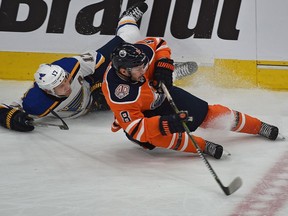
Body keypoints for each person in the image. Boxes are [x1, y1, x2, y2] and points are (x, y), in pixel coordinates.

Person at [101, 37, 280, 159]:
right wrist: (167, 123)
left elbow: (159, 44)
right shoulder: (120, 94)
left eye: (144, 65)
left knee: (205, 113)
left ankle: (258, 126)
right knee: (157, 137)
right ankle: (202, 146)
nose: (143, 68)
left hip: (158, 92)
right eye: (139, 69)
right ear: (124, 71)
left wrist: (163, 64)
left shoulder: (139, 54)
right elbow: (136, 129)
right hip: (143, 114)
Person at [0, 2, 149, 132]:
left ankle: (126, 18)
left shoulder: (70, 66)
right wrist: (10, 119)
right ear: (48, 91)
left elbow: (101, 60)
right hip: (90, 105)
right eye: (60, 86)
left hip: (93, 86)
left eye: (65, 79)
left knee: (131, 37)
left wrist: (100, 83)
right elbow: (7, 109)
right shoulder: (36, 103)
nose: (67, 86)